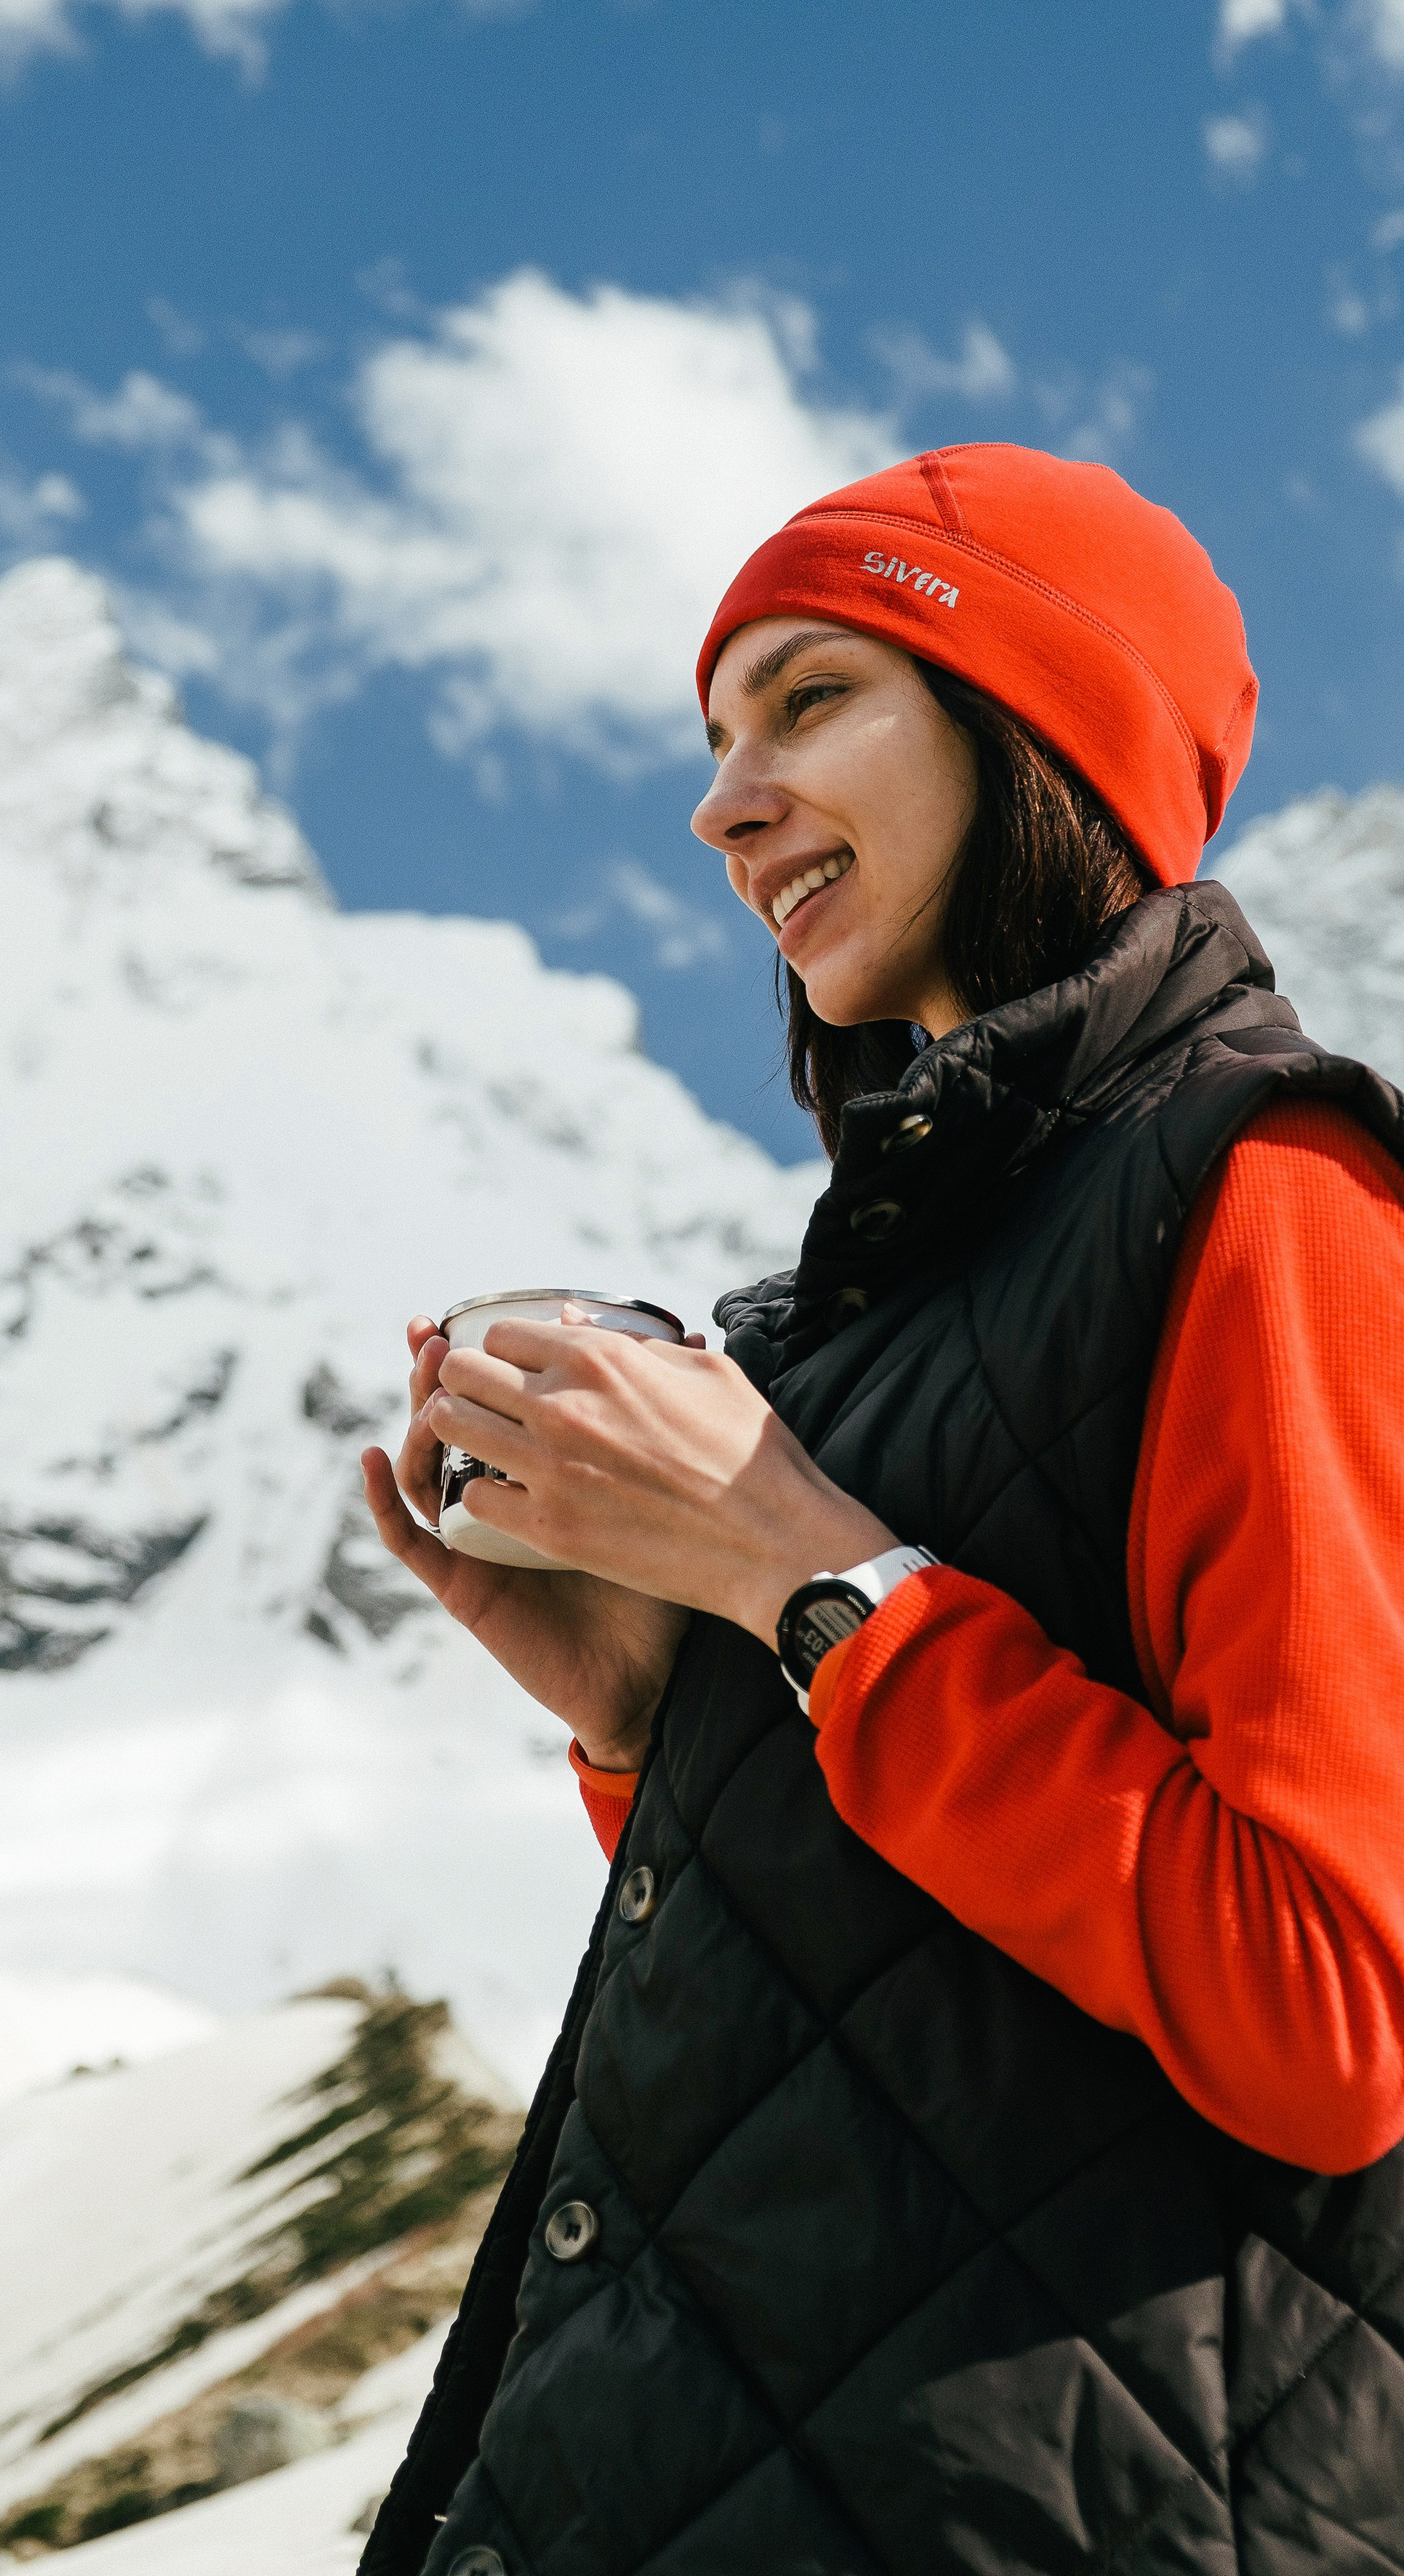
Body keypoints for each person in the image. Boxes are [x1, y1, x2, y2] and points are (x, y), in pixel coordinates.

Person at [356, 443, 1404, 2575]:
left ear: (1044, 730)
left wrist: (802, 1580)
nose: (720, 807)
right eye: (717, 738)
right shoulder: (852, 1320)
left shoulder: (1273, 1193)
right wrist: (659, 1714)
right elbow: (905, 2025)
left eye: (812, 702)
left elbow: (1331, 2015)